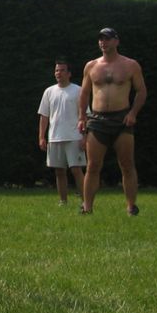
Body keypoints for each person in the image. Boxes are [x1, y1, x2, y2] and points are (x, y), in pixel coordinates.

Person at [77, 27, 148, 216]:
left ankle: (131, 206)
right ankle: (87, 207)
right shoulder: (91, 66)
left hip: (121, 119)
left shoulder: (130, 65)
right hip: (98, 120)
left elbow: (141, 91)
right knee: (92, 166)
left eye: (107, 39)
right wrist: (82, 117)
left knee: (127, 164)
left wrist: (133, 113)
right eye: (101, 39)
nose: (103, 42)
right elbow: (84, 93)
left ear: (116, 41)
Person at [37, 59, 86, 206]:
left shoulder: (78, 90)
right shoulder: (49, 91)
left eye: (62, 70)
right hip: (54, 137)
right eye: (57, 70)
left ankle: (86, 201)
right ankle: (63, 201)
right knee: (59, 171)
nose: (59, 73)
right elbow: (44, 115)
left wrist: (85, 137)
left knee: (76, 170)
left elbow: (85, 116)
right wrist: (41, 137)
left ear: (69, 73)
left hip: (74, 137)